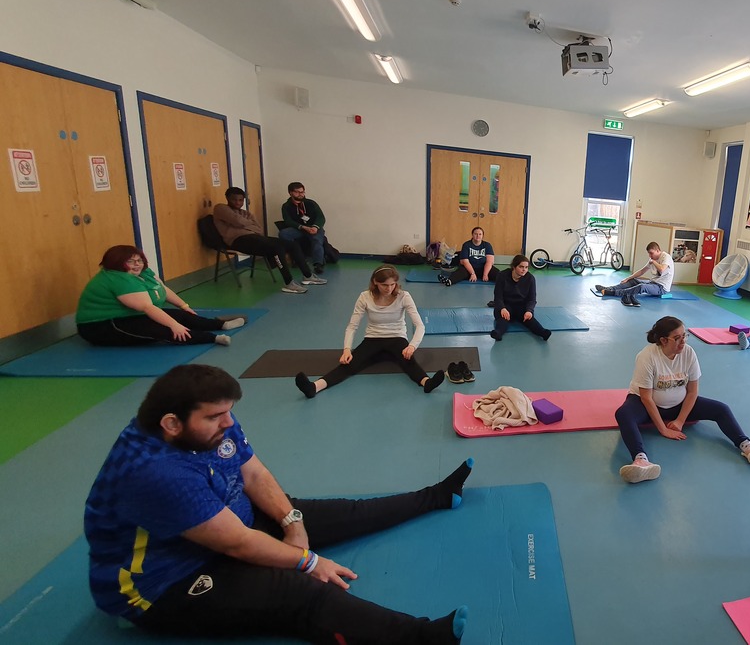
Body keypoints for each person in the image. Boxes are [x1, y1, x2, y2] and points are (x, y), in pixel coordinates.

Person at [84, 364, 471, 643]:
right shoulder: (155, 472)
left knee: (348, 513)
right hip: (166, 583)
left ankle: (437, 495)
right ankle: (423, 638)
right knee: (302, 593)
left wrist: (292, 522)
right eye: (216, 416)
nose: (228, 422)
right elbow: (235, 542)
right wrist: (309, 561)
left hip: (225, 522)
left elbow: (253, 474)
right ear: (171, 423)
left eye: (229, 411)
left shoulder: (209, 424)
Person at [614, 316, 750, 484]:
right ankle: (640, 459)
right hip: (645, 404)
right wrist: (663, 430)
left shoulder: (688, 353)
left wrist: (680, 420)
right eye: (677, 338)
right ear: (663, 340)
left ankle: (747, 446)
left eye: (684, 335)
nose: (683, 341)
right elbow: (646, 397)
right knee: (623, 414)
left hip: (678, 405)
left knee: (721, 409)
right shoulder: (647, 356)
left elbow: (692, 392)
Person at [295, 265, 446, 398]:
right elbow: (352, 326)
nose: (389, 289)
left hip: (396, 337)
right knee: (350, 363)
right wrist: (346, 349)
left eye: (393, 284)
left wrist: (412, 346)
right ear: (375, 282)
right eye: (384, 285)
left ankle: (427, 382)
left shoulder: (403, 296)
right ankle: (314, 387)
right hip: (373, 338)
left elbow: (420, 326)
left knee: (408, 361)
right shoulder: (364, 297)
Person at [76, 245, 243, 347]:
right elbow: (147, 307)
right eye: (130, 262)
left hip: (128, 316)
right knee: (166, 329)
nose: (136, 265)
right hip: (101, 326)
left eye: (139, 260)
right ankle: (213, 338)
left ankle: (221, 325)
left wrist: (184, 307)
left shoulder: (143, 272)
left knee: (179, 316)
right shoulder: (119, 279)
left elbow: (162, 289)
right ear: (118, 263)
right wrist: (174, 325)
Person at [213, 186, 326, 294]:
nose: (238, 203)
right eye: (234, 200)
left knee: (292, 245)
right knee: (276, 248)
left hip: (255, 237)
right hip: (237, 240)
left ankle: (308, 276)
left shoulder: (245, 213)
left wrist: (245, 224)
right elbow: (238, 221)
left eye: (241, 200)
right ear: (227, 199)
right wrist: (248, 224)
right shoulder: (220, 208)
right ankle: (289, 283)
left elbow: (258, 228)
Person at [491, 254, 551, 341]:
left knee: (529, 319)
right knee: (503, 318)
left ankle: (543, 332)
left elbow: (532, 299)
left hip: (521, 306)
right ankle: (498, 333)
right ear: (514, 267)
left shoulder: (530, 278)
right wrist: (502, 308)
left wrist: (529, 311)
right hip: (505, 306)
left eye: (526, 267)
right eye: (521, 267)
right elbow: (498, 296)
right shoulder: (502, 275)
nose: (524, 270)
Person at [595, 241, 674, 307]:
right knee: (633, 281)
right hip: (653, 283)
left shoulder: (666, 257)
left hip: (662, 288)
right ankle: (609, 288)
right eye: (649, 253)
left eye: (651, 253)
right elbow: (642, 271)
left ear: (657, 250)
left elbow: (662, 269)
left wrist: (653, 262)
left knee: (642, 286)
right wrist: (628, 278)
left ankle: (613, 293)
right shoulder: (652, 259)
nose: (650, 256)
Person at [279, 181, 328, 274]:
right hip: (299, 229)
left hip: (313, 228)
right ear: (290, 193)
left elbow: (321, 217)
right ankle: (297, 258)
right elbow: (288, 221)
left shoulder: (311, 203)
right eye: (297, 192)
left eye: (302, 192)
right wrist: (302, 227)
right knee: (283, 234)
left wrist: (315, 227)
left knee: (317, 240)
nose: (300, 194)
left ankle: (318, 264)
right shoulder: (286, 206)